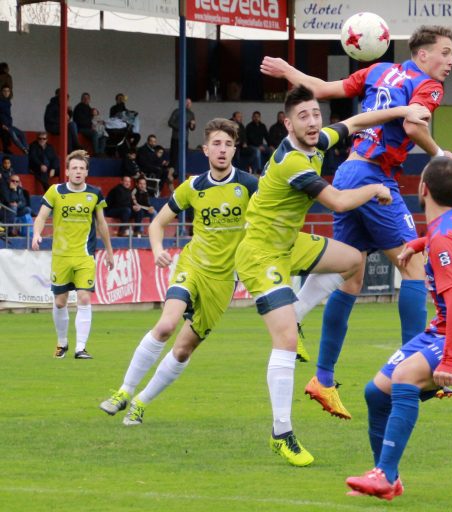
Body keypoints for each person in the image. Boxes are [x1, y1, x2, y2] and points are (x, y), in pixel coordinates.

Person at [260, 25, 452, 417]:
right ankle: (414, 370)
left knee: (352, 275)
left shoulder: (380, 70)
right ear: (422, 55)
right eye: (446, 53)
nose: (450, 63)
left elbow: (323, 88)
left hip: (348, 172)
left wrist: (289, 71)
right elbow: (413, 124)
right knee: (415, 267)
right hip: (372, 178)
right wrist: (440, 154)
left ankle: (324, 378)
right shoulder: (429, 86)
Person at [233, 85, 431, 467]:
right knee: (285, 341)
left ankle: (299, 315)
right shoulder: (293, 163)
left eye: (315, 114)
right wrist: (375, 188)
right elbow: (338, 201)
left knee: (353, 259)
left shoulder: (320, 139)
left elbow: (356, 121)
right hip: (261, 252)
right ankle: (282, 433)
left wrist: (402, 109)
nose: (312, 122)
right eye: (302, 116)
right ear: (287, 123)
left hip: (289, 243)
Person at [345, 157, 452, 500]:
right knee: (376, 393)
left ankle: (385, 476)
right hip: (448, 330)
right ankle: (385, 475)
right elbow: (451, 239)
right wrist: (419, 244)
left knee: (403, 378)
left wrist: (449, 361)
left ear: (423, 189)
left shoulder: (445, 235)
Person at [99, 118, 259, 425]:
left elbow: (274, 213)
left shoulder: (250, 186)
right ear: (205, 149)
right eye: (216, 144)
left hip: (223, 280)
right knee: (165, 326)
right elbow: (158, 223)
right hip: (193, 265)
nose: (222, 150)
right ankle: (123, 391)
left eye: (228, 144)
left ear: (235, 149)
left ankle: (142, 402)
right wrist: (158, 250)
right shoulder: (193, 186)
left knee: (184, 349)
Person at [31, 150, 115, 359]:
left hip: (84, 255)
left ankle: (80, 347)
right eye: (74, 168)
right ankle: (62, 343)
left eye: (81, 168)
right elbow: (41, 216)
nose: (78, 171)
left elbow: (102, 224)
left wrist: (109, 252)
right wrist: (36, 234)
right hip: (61, 256)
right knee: (60, 301)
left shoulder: (94, 194)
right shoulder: (55, 191)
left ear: (87, 172)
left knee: (84, 298)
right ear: (67, 171)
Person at [168, 98, 196, 170]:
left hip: (185, 138)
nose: (188, 104)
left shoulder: (191, 114)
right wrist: (181, 127)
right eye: (187, 103)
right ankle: (172, 171)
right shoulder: (177, 111)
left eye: (189, 103)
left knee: (183, 157)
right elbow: (170, 122)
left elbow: (192, 128)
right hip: (176, 138)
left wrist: (192, 125)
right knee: (174, 156)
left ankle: (180, 171)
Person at [0, 85, 28, 154]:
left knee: (22, 134)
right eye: (4, 91)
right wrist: (1, 125)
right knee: (14, 136)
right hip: (3, 125)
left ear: (10, 92)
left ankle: (27, 148)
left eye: (8, 91)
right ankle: (24, 149)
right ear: (1, 92)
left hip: (9, 124)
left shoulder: (8, 102)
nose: (6, 92)